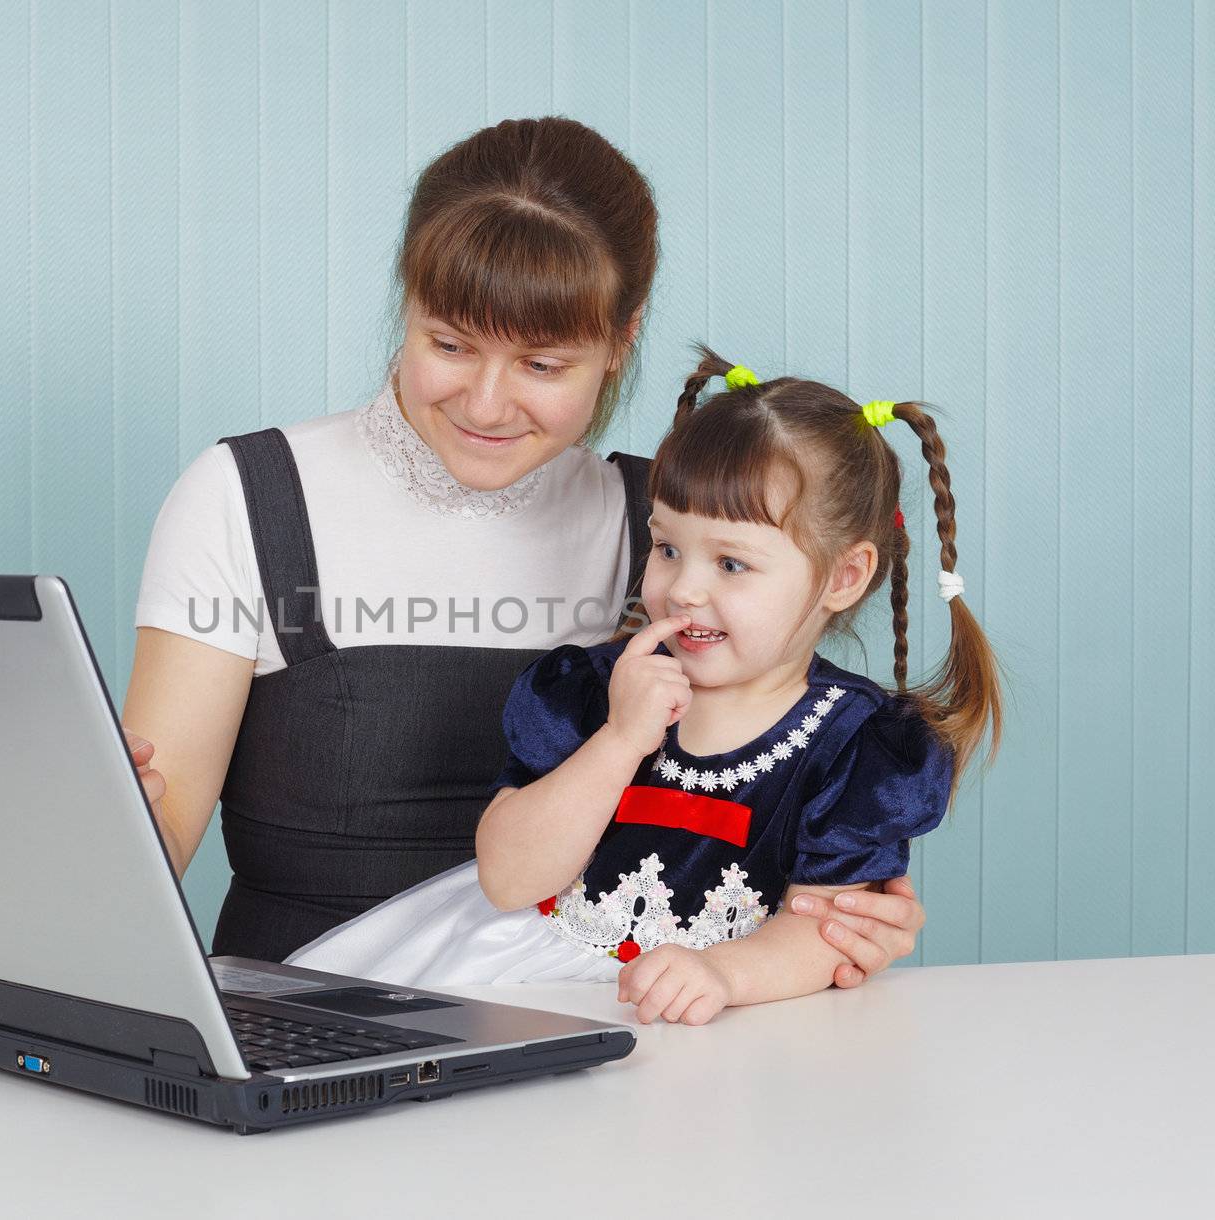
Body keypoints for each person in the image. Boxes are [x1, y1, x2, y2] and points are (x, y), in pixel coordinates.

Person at [122, 116, 926, 983]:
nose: (487, 403)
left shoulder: (665, 529)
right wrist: (94, 824)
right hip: (310, 1026)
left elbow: (768, 786)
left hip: (598, 1034)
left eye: (543, 365)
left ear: (622, 341)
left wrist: (835, 917)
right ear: (408, 305)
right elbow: (146, 851)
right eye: (450, 344)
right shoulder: (249, 497)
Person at [286, 348, 1002, 1025]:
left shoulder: (858, 746)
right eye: (666, 547)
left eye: (731, 564)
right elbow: (508, 878)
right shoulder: (592, 689)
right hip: (515, 976)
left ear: (843, 577)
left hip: (713, 1011)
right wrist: (622, 738)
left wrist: (722, 975)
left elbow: (826, 932)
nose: (682, 587)